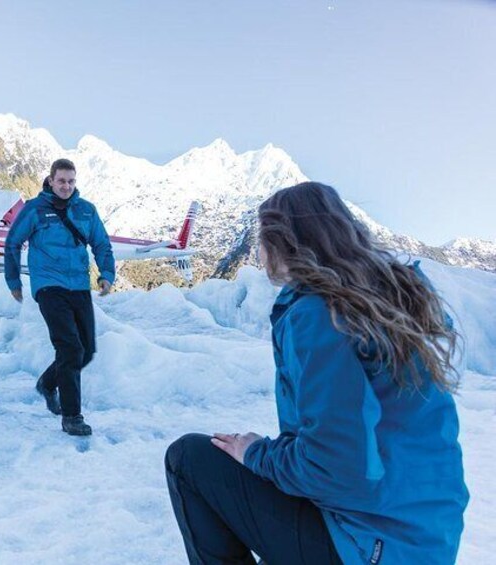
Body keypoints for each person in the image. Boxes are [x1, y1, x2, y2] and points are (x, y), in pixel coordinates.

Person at [165, 182, 468, 564]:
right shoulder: (383, 299)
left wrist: (256, 453)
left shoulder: (321, 315)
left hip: (371, 544)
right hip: (422, 538)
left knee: (190, 459)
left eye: (262, 240)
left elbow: (336, 469)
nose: (259, 252)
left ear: (281, 243)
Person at [4, 159, 115, 436]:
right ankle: (71, 417)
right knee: (69, 348)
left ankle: (47, 383)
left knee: (86, 351)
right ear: (51, 181)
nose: (66, 186)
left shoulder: (86, 211)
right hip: (48, 286)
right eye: (61, 180)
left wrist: (107, 274)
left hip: (78, 285)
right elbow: (13, 242)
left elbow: (101, 243)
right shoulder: (36, 209)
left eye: (71, 181)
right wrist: (13, 280)